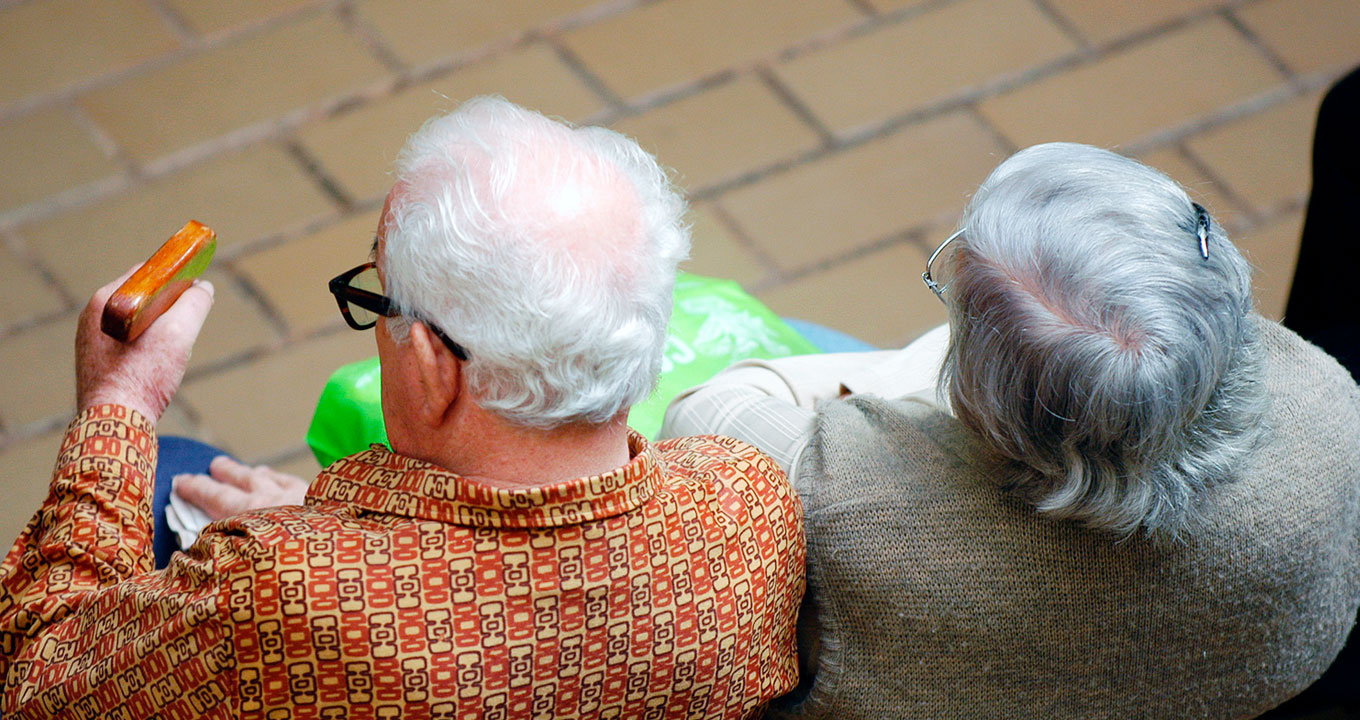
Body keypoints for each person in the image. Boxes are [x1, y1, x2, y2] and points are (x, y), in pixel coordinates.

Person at [0, 97, 804, 719]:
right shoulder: (748, 506)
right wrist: (334, 516)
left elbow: (36, 676)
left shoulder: (280, 595)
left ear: (431, 366)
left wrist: (117, 402)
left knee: (164, 468)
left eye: (377, 290)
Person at [664, 142, 1360, 718]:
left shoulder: (849, 507)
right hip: (1260, 696)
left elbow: (704, 414)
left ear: (983, 399)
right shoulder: (1330, 406)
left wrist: (906, 370)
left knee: (807, 340)